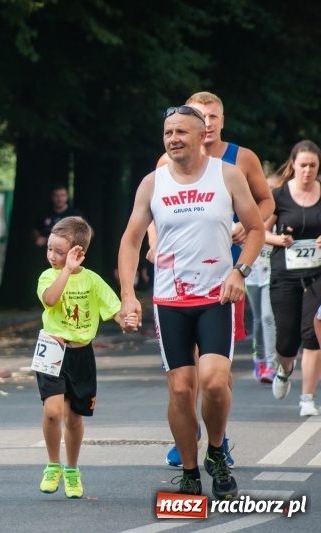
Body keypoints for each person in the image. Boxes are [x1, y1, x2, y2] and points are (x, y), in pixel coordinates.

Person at [118, 105, 264, 499]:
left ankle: (216, 450)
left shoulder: (228, 175)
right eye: (168, 133)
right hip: (171, 301)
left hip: (217, 296)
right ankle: (189, 470)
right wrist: (129, 295)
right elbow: (131, 239)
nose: (173, 138)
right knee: (181, 390)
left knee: (215, 382)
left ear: (203, 136)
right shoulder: (153, 183)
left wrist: (241, 271)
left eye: (182, 131)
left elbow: (254, 229)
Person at [152, 92, 274, 469]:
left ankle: (219, 437)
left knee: (215, 371)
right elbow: (153, 210)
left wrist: (244, 226)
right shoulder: (167, 160)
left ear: (221, 120)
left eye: (212, 116)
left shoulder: (240, 159)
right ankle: (188, 438)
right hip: (178, 280)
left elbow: (265, 204)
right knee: (183, 373)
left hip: (228, 273)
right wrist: (154, 247)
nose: (206, 122)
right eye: (199, 115)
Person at [36, 216, 129, 499]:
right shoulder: (49, 275)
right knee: (53, 412)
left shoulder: (92, 280)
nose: (52, 256)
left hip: (82, 353)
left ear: (78, 253)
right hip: (52, 348)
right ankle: (53, 465)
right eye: (50, 249)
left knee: (74, 418)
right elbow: (50, 299)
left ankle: (72, 469)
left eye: (59, 252)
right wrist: (65, 270)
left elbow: (114, 308)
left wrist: (126, 319)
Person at [264, 140, 321, 416]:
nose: (307, 171)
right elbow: (258, 232)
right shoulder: (278, 196)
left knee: (313, 333)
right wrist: (278, 238)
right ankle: (285, 369)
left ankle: (307, 398)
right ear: (293, 165)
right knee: (287, 339)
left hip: (318, 275)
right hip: (285, 274)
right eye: (303, 165)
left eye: (313, 166)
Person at [246, 174, 280, 384]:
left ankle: (270, 365)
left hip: (272, 273)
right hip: (252, 272)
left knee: (268, 317)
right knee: (258, 320)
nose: (271, 191)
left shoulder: (284, 214)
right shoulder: (251, 211)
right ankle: (258, 358)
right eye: (268, 187)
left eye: (275, 188)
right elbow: (253, 233)